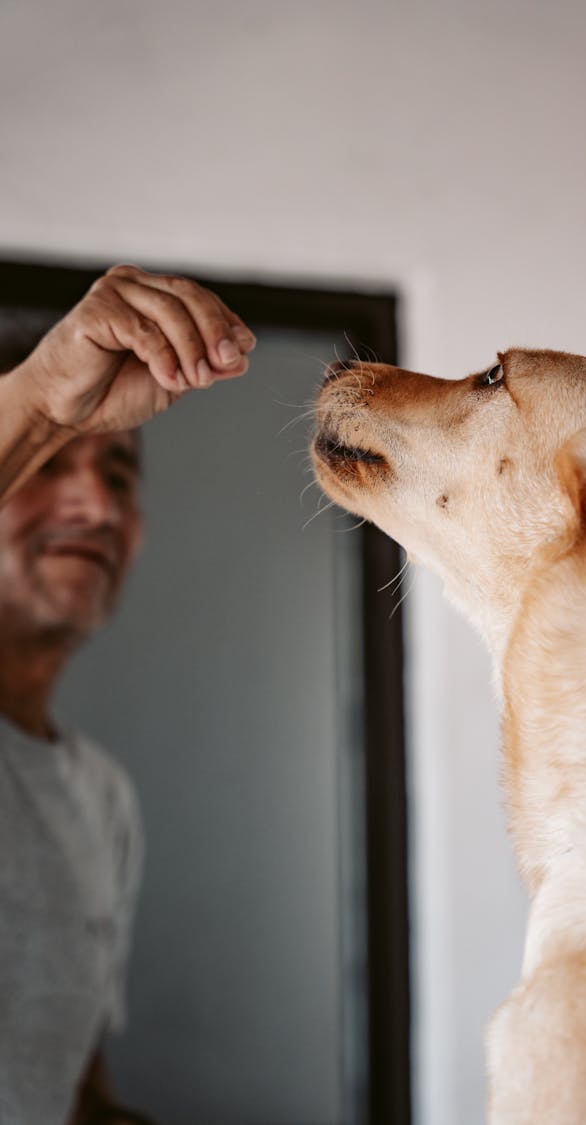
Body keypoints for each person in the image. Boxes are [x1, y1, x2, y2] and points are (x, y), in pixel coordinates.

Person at [0, 264, 256, 1125]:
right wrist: (36, 400)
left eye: (118, 470)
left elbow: (65, 1090)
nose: (95, 504)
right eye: (49, 466)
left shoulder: (100, 796)